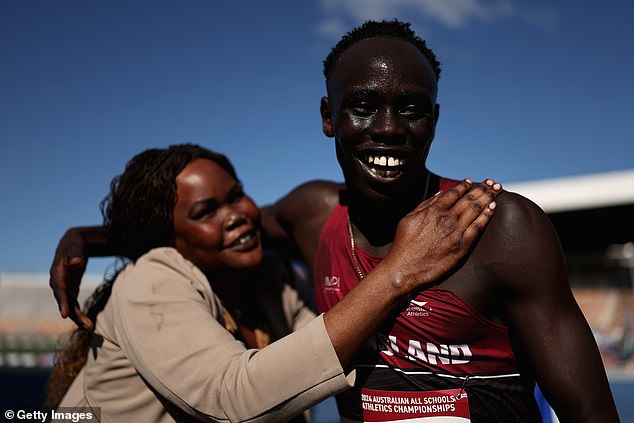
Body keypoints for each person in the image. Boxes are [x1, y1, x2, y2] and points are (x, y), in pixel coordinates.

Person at [49, 20, 619, 422]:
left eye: (412, 109)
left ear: (436, 119)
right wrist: (86, 238)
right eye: (364, 105)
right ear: (328, 116)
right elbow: (199, 231)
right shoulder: (314, 213)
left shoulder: (499, 227)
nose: (390, 128)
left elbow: (591, 414)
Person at [46, 143, 501, 422]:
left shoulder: (263, 276)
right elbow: (235, 398)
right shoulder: (150, 279)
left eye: (236, 194)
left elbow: (332, 339)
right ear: (168, 236)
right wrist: (400, 271)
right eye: (206, 212)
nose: (239, 217)